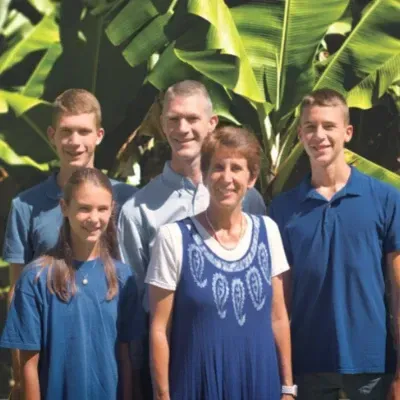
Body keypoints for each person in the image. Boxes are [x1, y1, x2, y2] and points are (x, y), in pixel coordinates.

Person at [2, 89, 137, 397]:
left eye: (84, 131)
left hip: (108, 355)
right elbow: (16, 291)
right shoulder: (26, 205)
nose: (75, 142)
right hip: (51, 359)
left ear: (99, 135)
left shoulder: (126, 200)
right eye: (66, 132)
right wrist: (22, 375)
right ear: (52, 135)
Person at [146, 126, 295, 400]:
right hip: (197, 385)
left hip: (261, 385)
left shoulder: (269, 231)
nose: (227, 178)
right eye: (217, 167)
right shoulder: (173, 238)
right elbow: (158, 328)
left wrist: (288, 389)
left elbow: (278, 317)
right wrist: (162, 395)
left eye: (236, 168)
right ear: (203, 175)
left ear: (251, 178)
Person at [269, 89, 400, 399]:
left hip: (372, 365)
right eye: (311, 127)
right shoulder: (282, 209)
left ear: (347, 132)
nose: (320, 136)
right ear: (300, 134)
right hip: (308, 364)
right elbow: (279, 303)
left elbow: (398, 291)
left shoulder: (385, 198)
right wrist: (285, 379)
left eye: (329, 126)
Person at [118, 80, 266, 297]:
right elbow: (134, 300)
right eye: (174, 119)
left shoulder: (247, 199)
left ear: (212, 122)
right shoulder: (137, 211)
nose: (182, 129)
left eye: (192, 119)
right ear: (162, 124)